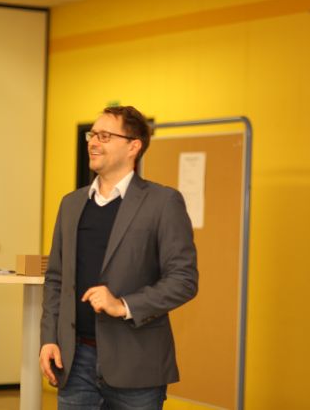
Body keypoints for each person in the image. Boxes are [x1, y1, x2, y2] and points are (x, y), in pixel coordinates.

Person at [39, 106, 198, 410]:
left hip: (137, 364)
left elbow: (184, 280)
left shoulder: (163, 202)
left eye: (104, 136)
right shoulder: (71, 204)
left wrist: (123, 305)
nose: (92, 142)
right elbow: (56, 278)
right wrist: (49, 338)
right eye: (92, 135)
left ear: (133, 146)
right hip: (74, 362)